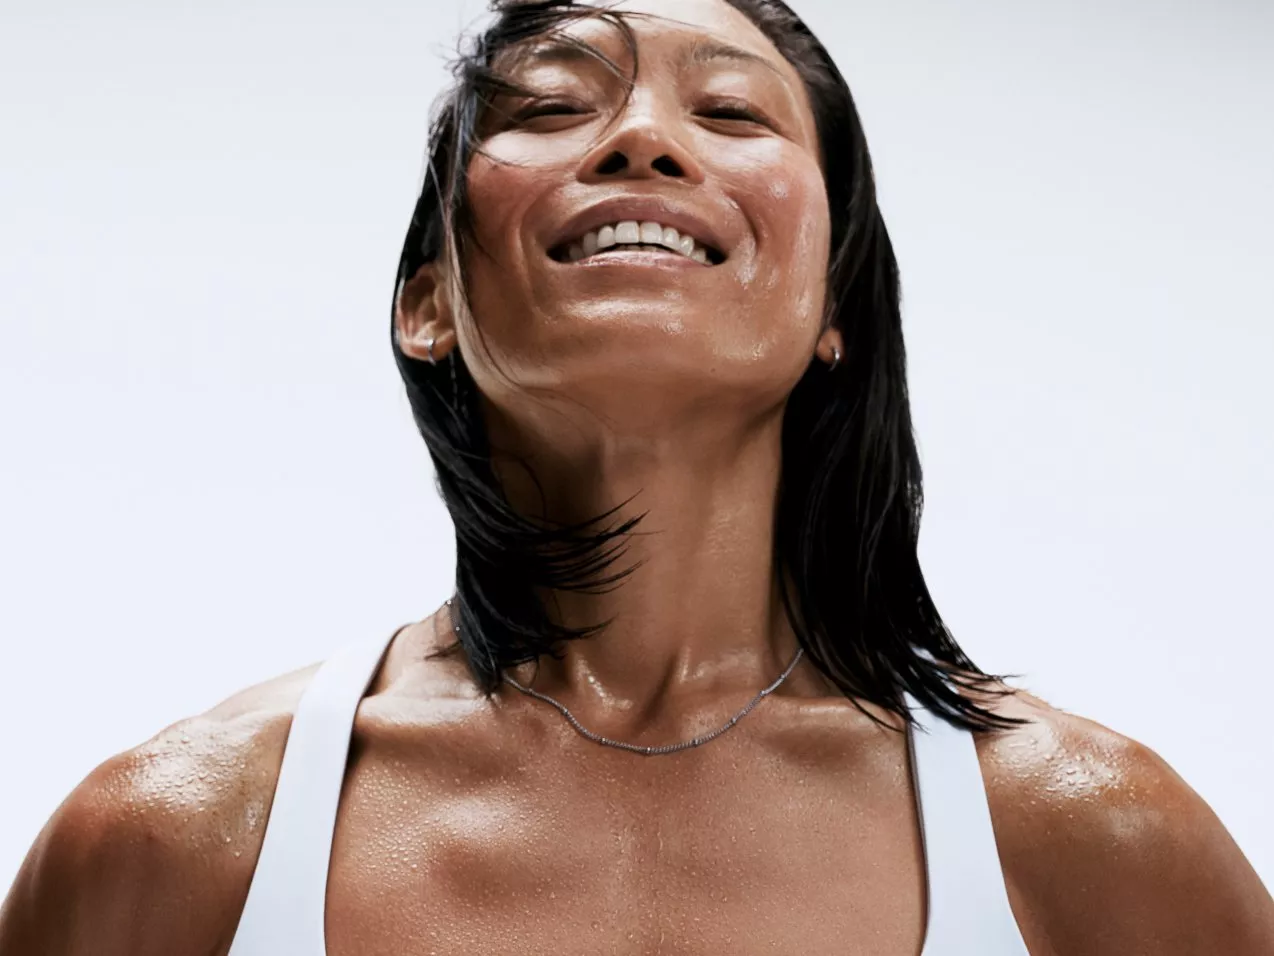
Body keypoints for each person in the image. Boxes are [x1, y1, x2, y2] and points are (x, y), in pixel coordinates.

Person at [3, 0, 1272, 953]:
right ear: (428, 301)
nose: (645, 140)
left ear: (834, 303)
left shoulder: (1085, 840)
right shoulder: (178, 843)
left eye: (727, 112)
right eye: (553, 107)